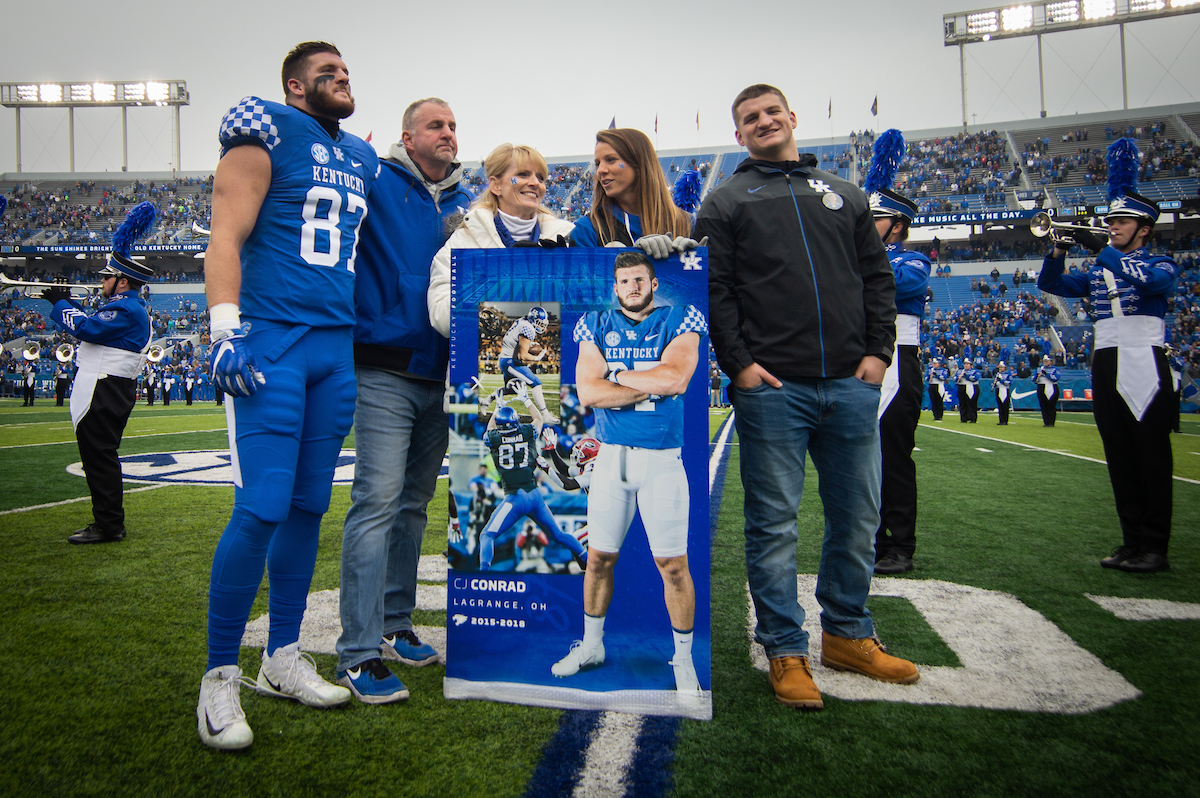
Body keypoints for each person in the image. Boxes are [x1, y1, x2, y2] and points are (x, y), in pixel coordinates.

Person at [695, 84, 918, 712]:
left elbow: (877, 278)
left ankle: (847, 634)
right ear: (739, 135)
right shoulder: (725, 200)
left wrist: (877, 354)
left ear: (791, 118)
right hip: (773, 389)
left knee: (859, 518)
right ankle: (785, 648)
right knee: (774, 523)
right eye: (750, 118)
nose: (763, 122)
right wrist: (739, 366)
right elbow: (717, 291)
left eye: (772, 112)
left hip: (851, 383)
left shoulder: (845, 194)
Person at [196, 41, 378, 751]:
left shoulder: (361, 155)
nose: (342, 78)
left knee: (308, 507)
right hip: (272, 338)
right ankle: (218, 676)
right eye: (327, 72)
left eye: (347, 71)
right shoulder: (266, 127)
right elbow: (226, 234)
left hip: (335, 346)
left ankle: (282, 656)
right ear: (295, 87)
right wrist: (223, 328)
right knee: (262, 505)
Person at [335, 97, 472, 706]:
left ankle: (395, 622)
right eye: (436, 125)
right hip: (385, 367)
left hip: (444, 372)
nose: (448, 133)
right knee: (377, 502)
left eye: (453, 125)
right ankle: (357, 651)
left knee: (414, 505)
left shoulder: (473, 200)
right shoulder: (375, 180)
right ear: (407, 137)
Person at [552, 251, 706, 695]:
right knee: (598, 559)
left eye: (640, 279)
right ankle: (592, 646)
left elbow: (675, 380)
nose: (632, 287)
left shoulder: (680, 317)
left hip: (661, 460)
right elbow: (588, 392)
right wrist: (644, 380)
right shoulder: (595, 324)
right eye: (624, 281)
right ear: (615, 287)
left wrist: (616, 374)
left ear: (653, 284)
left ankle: (683, 659)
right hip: (610, 459)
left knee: (673, 566)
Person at [1038, 137, 1177, 573]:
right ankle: (1131, 541)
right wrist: (1059, 247)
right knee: (1119, 454)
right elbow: (1052, 284)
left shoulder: (1161, 263)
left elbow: (1151, 283)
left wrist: (1104, 249)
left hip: (1145, 359)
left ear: (1144, 229)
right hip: (1107, 358)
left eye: (1122, 221)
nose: (1113, 226)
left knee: (1150, 455)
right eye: (1111, 220)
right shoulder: (1101, 269)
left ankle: (1154, 545)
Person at [42, 201, 155, 545]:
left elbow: (88, 329)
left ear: (122, 282)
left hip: (103, 388)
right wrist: (66, 303)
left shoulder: (126, 308)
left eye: (106, 277)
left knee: (99, 456)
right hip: (105, 385)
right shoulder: (124, 307)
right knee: (98, 455)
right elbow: (95, 326)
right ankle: (107, 521)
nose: (101, 281)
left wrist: (60, 303)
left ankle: (108, 524)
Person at [862, 129, 931, 576]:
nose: (865, 225)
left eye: (875, 219)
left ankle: (900, 544)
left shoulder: (912, 260)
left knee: (894, 456)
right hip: (860, 358)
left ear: (898, 226)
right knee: (862, 458)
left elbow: (898, 284)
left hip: (898, 361)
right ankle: (872, 540)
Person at [428, 143, 575, 338]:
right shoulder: (464, 240)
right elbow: (441, 317)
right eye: (523, 174)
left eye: (541, 178)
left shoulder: (567, 238)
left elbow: (588, 313)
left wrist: (566, 278)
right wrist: (497, 280)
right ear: (496, 185)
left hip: (548, 352)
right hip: (484, 354)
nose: (535, 183)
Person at [477, 391, 586, 572]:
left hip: (514, 498)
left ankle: (484, 575)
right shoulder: (527, 431)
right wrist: (526, 400)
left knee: (487, 535)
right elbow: (538, 419)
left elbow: (490, 428)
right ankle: (587, 559)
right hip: (534, 495)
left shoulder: (494, 438)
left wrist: (497, 408)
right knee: (559, 535)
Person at [569, 127, 704, 260]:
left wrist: (697, 262)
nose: (600, 170)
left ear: (639, 165)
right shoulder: (587, 229)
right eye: (598, 163)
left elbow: (702, 272)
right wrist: (635, 258)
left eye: (611, 160)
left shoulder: (685, 223)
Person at [1034, 355, 1060, 426]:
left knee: (1051, 405)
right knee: (1043, 405)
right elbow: (1033, 378)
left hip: (1052, 386)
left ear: (1051, 361)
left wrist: (1046, 374)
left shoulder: (1055, 369)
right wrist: (1036, 376)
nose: (1045, 362)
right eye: (1044, 361)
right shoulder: (1039, 369)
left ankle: (1051, 422)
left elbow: (1056, 378)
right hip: (1041, 386)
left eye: (1047, 361)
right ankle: (1046, 422)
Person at [927, 356, 949, 421]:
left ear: (939, 364)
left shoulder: (943, 370)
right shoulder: (930, 370)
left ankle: (939, 415)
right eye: (933, 363)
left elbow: (944, 378)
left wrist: (936, 375)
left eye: (935, 363)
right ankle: (935, 415)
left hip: (939, 385)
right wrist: (929, 376)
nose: (934, 365)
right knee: (933, 401)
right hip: (932, 385)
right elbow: (926, 378)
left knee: (939, 401)